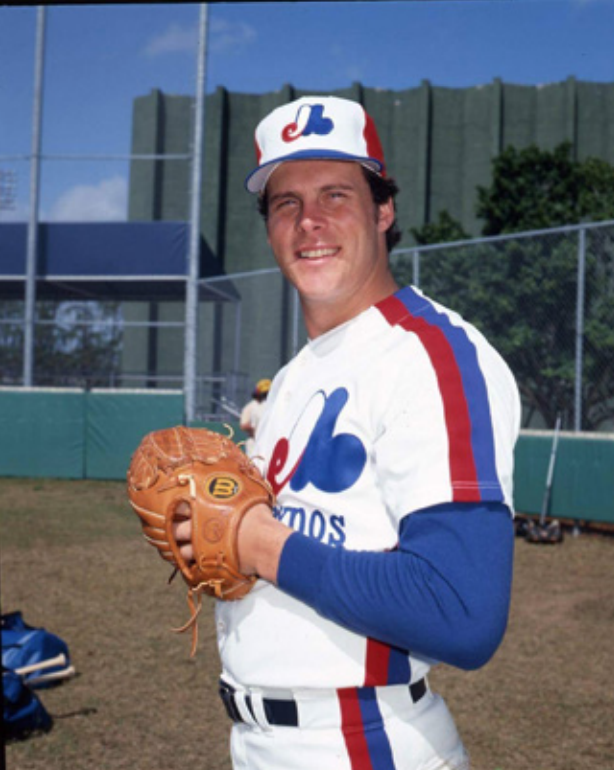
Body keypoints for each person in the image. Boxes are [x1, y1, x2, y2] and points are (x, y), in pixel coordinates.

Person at [176, 95, 520, 770]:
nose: (309, 222)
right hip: (258, 738)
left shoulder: (431, 354)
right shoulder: (295, 376)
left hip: (359, 742)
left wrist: (260, 544)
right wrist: (216, 541)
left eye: (336, 194)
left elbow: (463, 612)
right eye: (285, 203)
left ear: (383, 210)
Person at [239, 378, 271, 456]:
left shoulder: (273, 406)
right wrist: (255, 430)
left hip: (269, 442)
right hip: (254, 442)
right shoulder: (251, 407)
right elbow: (244, 425)